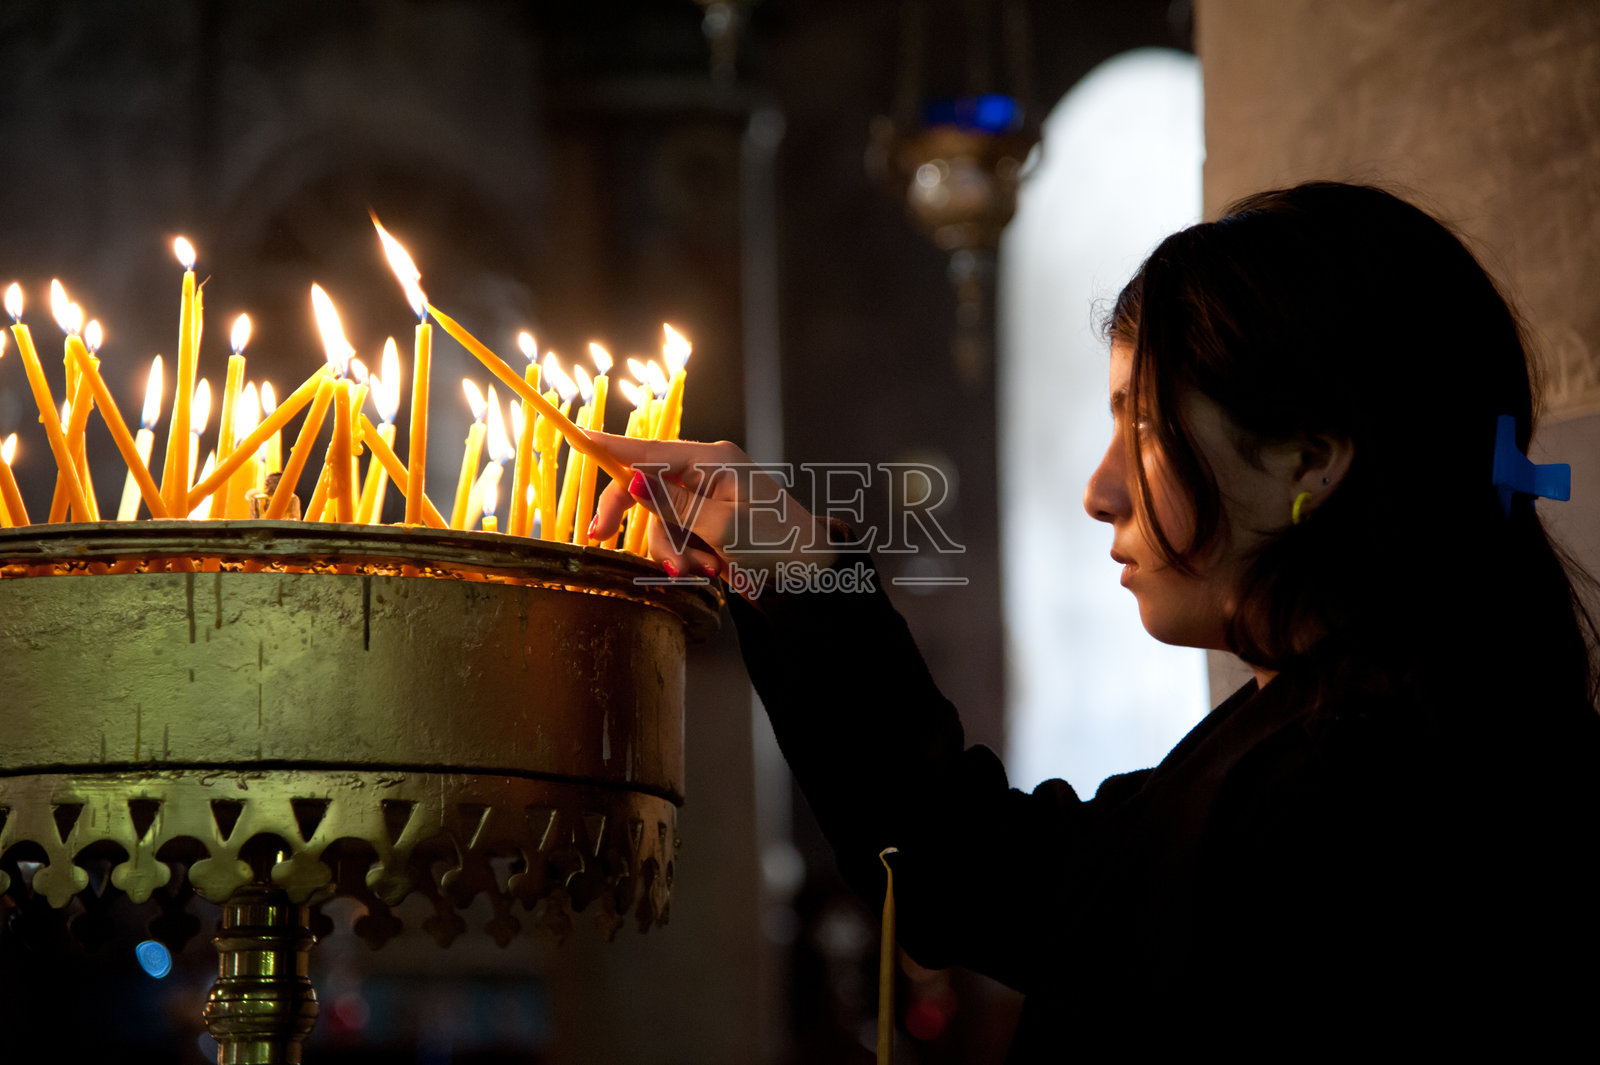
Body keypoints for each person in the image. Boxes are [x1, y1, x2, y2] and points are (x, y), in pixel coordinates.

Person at [589, 182, 1600, 1056]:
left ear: (1309, 458)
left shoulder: (1367, 807)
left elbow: (979, 875)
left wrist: (796, 566)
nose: (1099, 489)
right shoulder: (1321, 732)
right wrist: (788, 558)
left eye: (1147, 424)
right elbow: (970, 866)